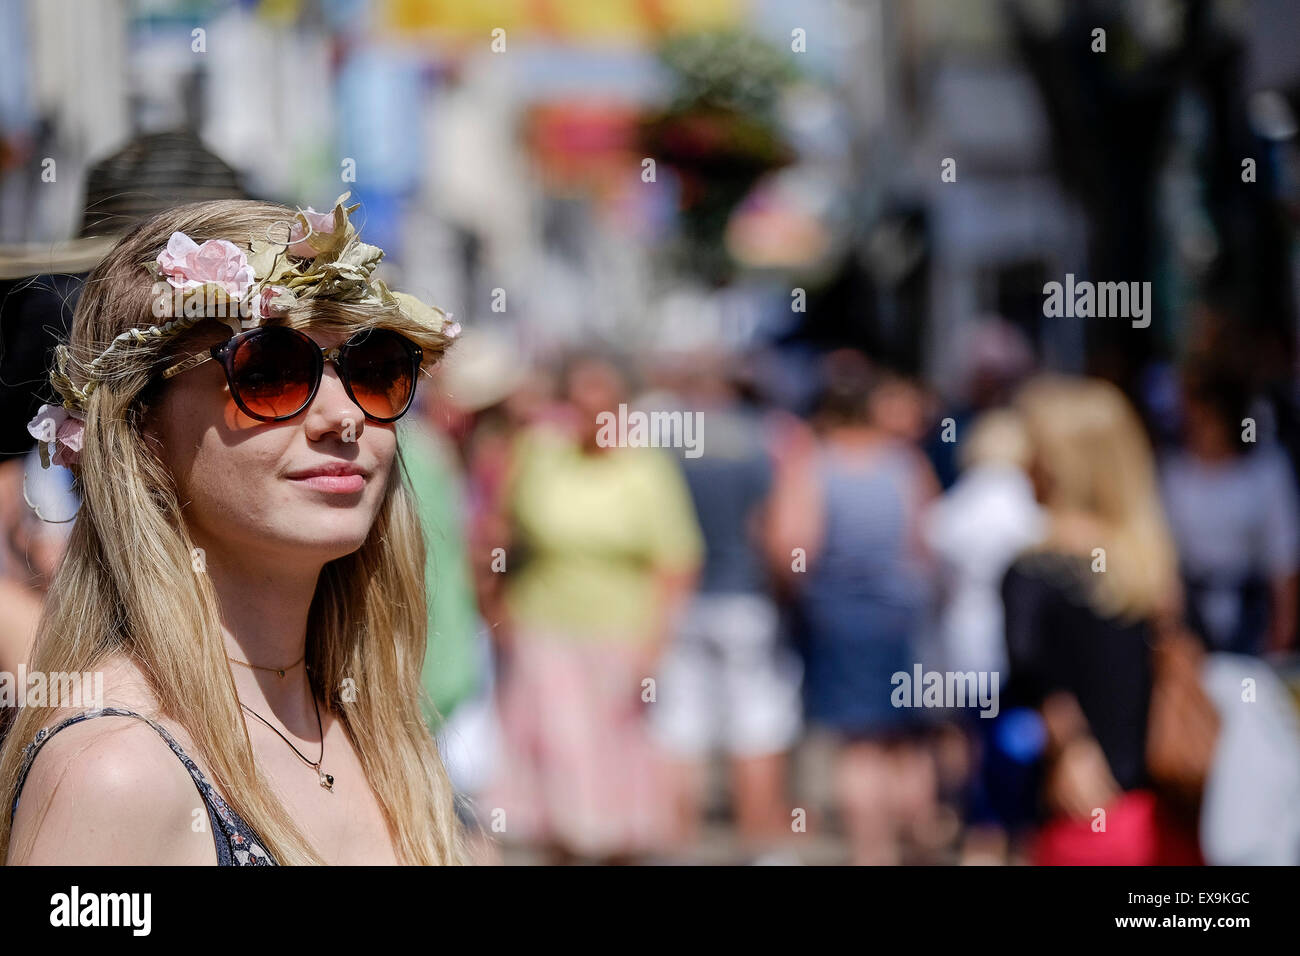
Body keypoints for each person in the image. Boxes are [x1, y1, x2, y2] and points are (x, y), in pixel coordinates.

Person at [1, 196, 466, 865]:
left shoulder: (382, 734)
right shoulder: (114, 773)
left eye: (375, 369)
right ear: (142, 431)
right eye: (272, 370)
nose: (345, 418)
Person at [485, 352, 703, 864]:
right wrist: (494, 603)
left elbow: (677, 561)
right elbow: (498, 532)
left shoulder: (646, 468)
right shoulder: (538, 452)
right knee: (556, 773)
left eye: (602, 403)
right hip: (543, 631)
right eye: (579, 402)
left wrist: (656, 643)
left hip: (619, 638)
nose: (591, 414)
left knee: (614, 787)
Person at [1003, 375, 1200, 865]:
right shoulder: (1155, 566)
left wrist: (1069, 749)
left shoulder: (1033, 571)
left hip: (1081, 806)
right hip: (1168, 810)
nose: (1023, 467)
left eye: (1034, 452)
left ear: (1062, 463)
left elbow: (1035, 681)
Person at [767, 351, 941, 865]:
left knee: (859, 748)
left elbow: (792, 548)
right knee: (907, 742)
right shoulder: (905, 463)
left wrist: (796, 595)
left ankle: (873, 856)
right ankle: (920, 845)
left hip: (841, 621)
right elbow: (926, 545)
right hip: (904, 618)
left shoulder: (815, 466)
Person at [1160, 362, 1299, 655]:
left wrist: (1281, 635)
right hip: (1192, 613)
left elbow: (1283, 558)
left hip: (1250, 613)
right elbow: (1162, 554)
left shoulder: (1266, 471)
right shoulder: (1173, 470)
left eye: (1205, 419)